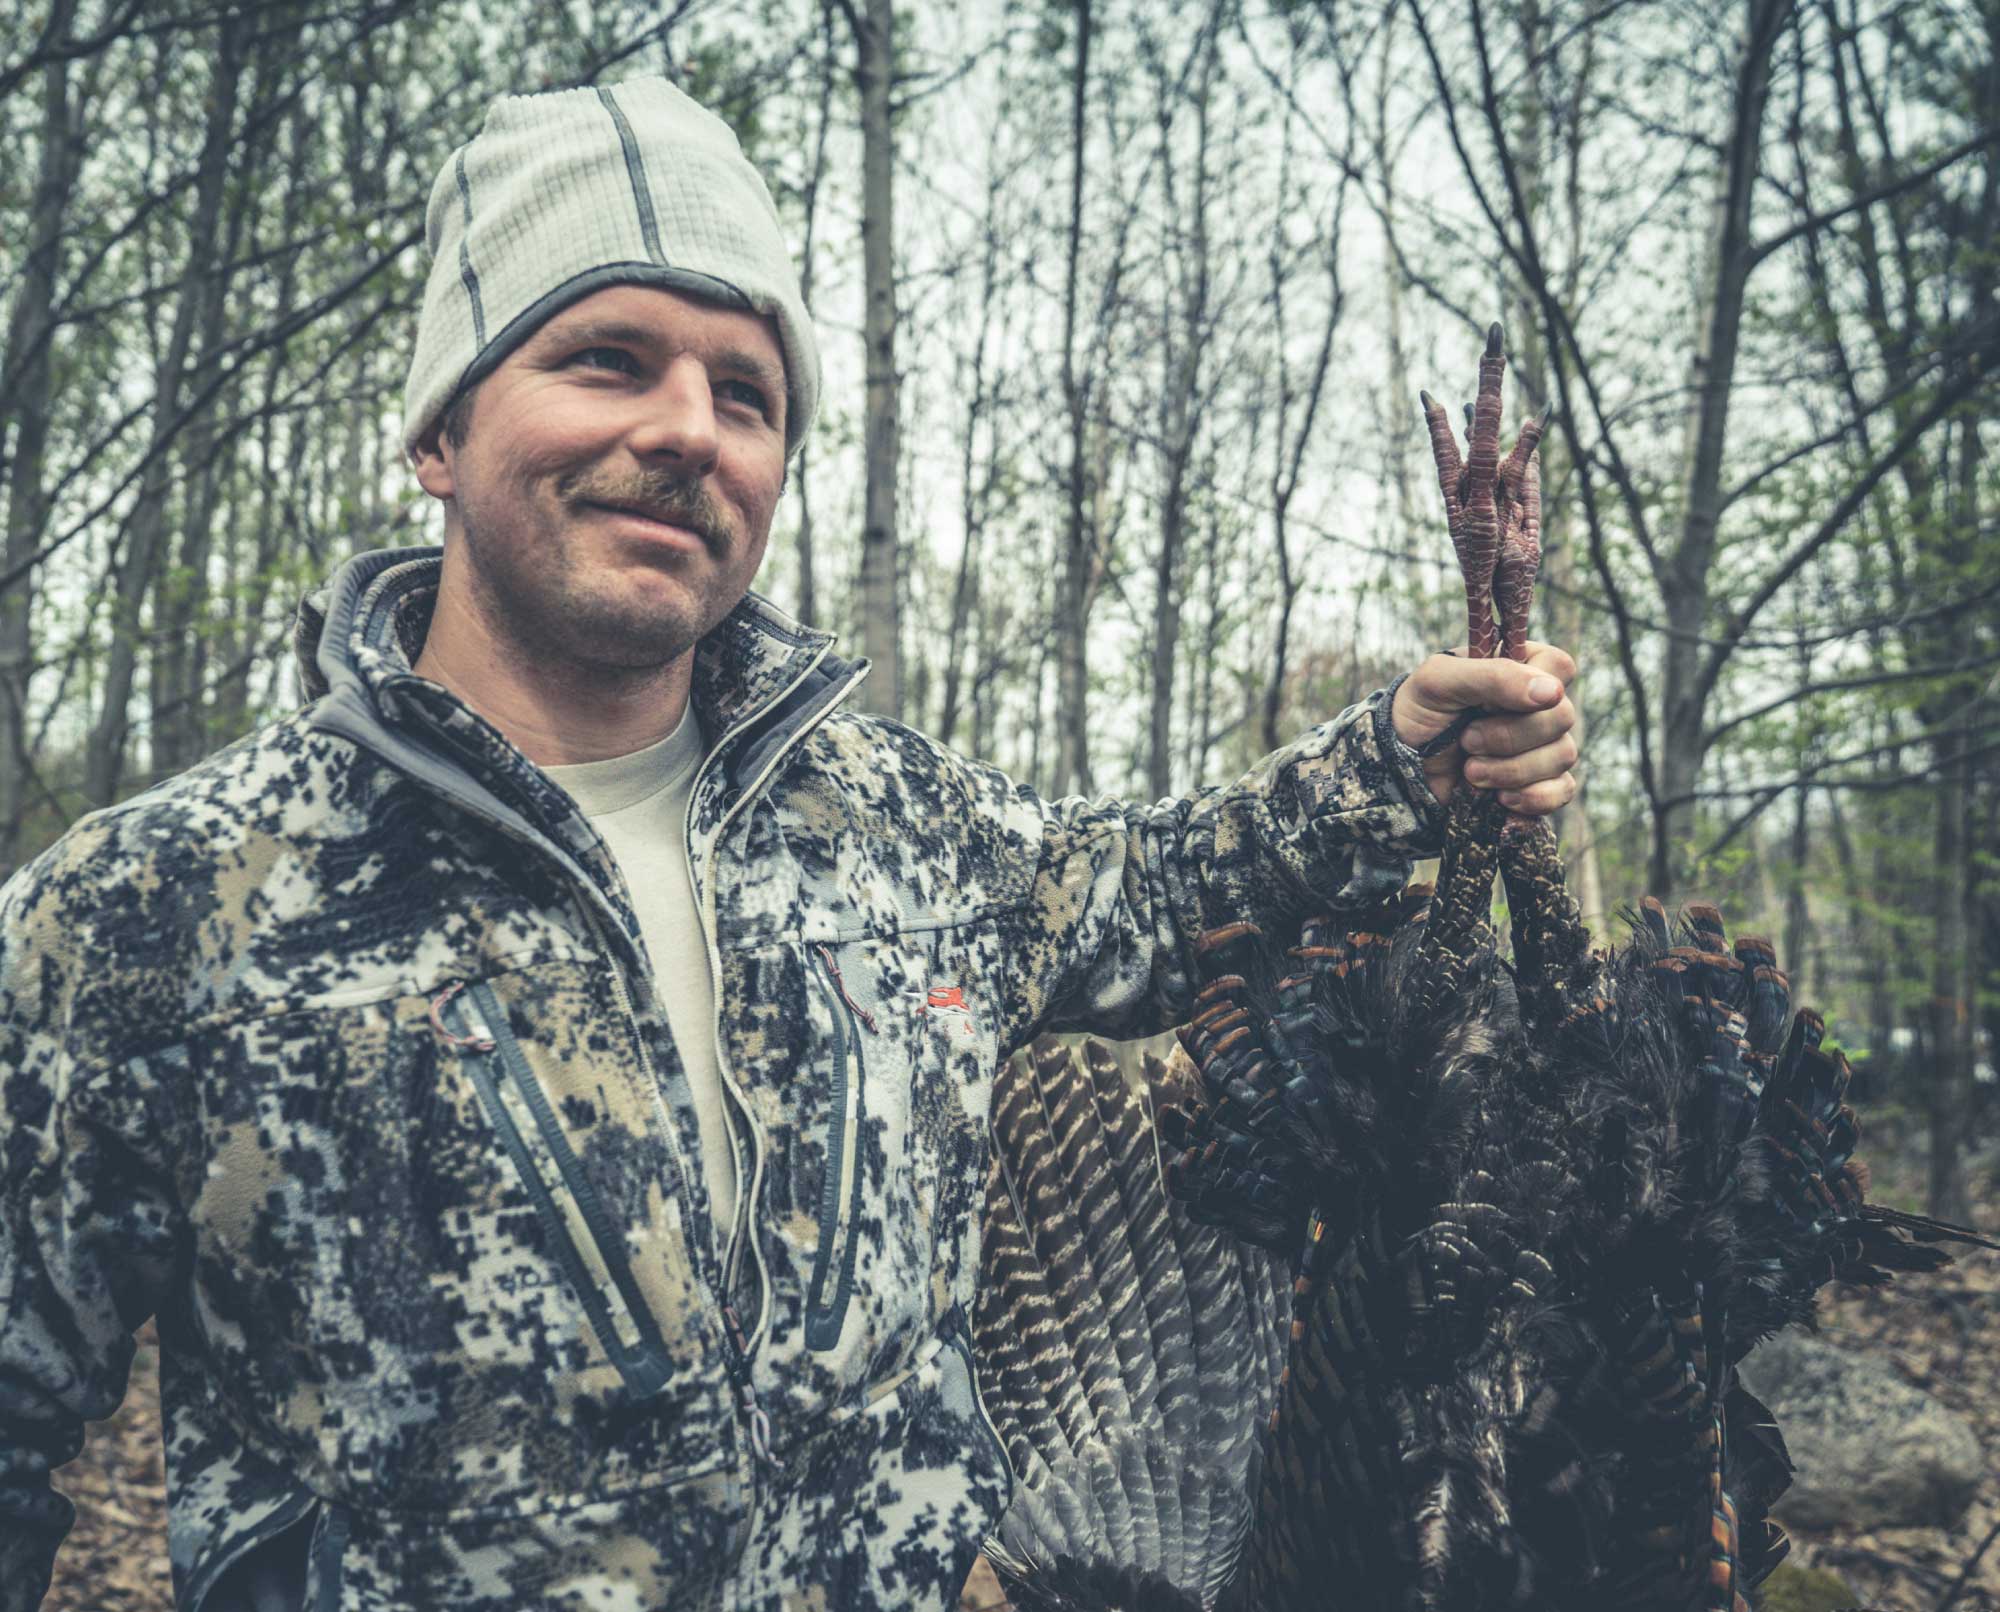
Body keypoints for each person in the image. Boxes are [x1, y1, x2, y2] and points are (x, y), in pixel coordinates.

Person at [0, 78, 1579, 1612]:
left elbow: (1153, 892)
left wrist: (1401, 760)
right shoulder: (154, 913)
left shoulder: (899, 834)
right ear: (441, 430)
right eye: (607, 358)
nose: (688, 429)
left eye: (745, 394)